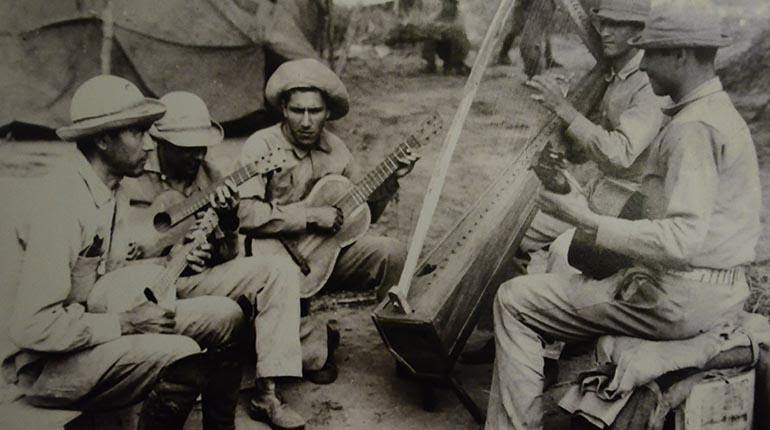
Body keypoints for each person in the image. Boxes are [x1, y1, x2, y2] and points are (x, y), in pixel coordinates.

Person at [485, 0, 761, 428]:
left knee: (514, 299)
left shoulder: (693, 128)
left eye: (651, 52)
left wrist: (588, 221)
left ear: (682, 54)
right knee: (571, 272)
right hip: (711, 288)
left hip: (681, 300)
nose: (644, 64)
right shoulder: (715, 115)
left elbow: (683, 239)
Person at [0, 75, 246, 430]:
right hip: (40, 366)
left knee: (228, 316)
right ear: (102, 139)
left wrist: (174, 260)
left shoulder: (112, 190)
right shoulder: (61, 205)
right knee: (181, 356)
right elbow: (32, 328)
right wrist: (128, 323)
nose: (150, 144)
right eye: (138, 133)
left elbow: (109, 280)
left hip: (93, 328)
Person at [463, 0, 665, 365]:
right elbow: (584, 150)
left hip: (632, 206)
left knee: (559, 252)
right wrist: (565, 122)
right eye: (603, 23)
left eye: (618, 25)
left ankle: (550, 350)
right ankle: (506, 332)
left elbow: (622, 153)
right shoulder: (613, 74)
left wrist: (566, 110)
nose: (605, 32)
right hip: (601, 193)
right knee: (511, 232)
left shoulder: (648, 84)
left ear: (640, 32)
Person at [111, 91, 305, 430]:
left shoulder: (213, 176)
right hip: (136, 288)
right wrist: (162, 253)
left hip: (190, 278)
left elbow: (229, 253)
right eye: (188, 149)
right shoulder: (131, 171)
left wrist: (226, 226)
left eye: (202, 148)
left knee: (279, 271)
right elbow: (116, 251)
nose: (197, 156)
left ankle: (267, 392)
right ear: (161, 142)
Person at [238, 58, 417, 385]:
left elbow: (363, 217)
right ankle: (314, 339)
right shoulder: (261, 146)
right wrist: (309, 216)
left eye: (315, 111)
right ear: (283, 109)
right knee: (257, 345)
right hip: (269, 262)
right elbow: (245, 214)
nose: (306, 121)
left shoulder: (338, 151)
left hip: (323, 259)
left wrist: (390, 182)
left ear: (328, 113)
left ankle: (408, 354)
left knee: (392, 252)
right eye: (297, 111)